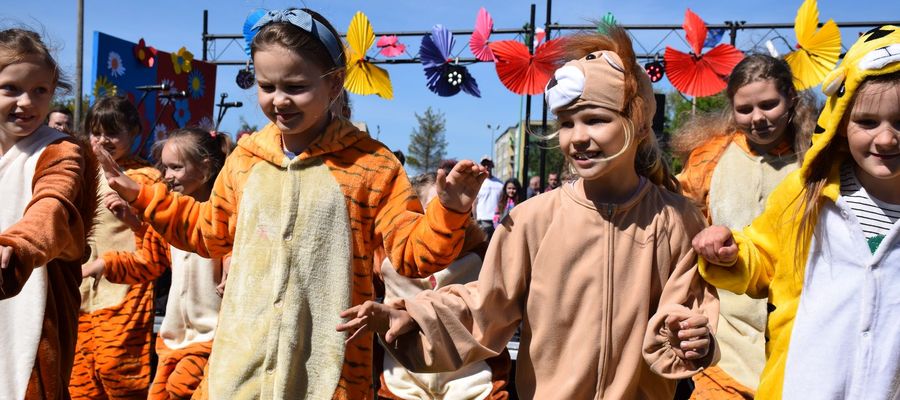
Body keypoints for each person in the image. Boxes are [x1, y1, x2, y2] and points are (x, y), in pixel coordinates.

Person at [94, 8, 486, 399]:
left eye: (295, 87)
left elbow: (410, 255)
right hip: (238, 369)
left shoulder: (373, 165)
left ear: (334, 85)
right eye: (267, 86)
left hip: (326, 371)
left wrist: (449, 212)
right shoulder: (247, 157)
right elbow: (207, 232)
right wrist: (139, 193)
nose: (279, 100)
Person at [339, 26, 719, 399]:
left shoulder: (678, 219)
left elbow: (689, 308)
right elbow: (486, 305)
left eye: (596, 119)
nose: (578, 136)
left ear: (636, 124)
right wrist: (416, 317)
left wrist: (691, 337)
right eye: (567, 123)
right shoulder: (531, 220)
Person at [692, 27, 900, 400]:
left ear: (790, 100)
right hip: (738, 350)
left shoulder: (806, 170)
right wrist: (728, 251)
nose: (886, 138)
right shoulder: (807, 193)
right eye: (867, 122)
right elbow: (762, 253)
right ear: (843, 122)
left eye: (768, 105)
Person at [673, 54, 817, 399]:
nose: (758, 119)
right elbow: (676, 219)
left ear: (791, 100)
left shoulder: (817, 159)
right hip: (723, 343)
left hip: (799, 343)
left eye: (769, 105)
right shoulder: (709, 158)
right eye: (745, 109)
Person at [83, 128, 229, 400]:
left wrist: (232, 264)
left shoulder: (221, 216)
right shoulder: (167, 218)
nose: (168, 175)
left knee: (180, 388)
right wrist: (104, 264)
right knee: (158, 394)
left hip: (211, 337)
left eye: (176, 167)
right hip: (173, 338)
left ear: (205, 167)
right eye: (165, 167)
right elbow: (149, 263)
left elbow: (235, 250)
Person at [0, 27, 99, 400]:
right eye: (11, 88)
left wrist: (16, 247)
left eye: (40, 90)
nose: (27, 102)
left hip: (35, 315)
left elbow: (52, 209)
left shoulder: (59, 151)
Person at [375, 172, 509, 400]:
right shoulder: (387, 258)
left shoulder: (483, 255)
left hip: (471, 380)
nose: (445, 213)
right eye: (436, 206)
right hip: (403, 378)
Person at [71, 95, 165, 399]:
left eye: (112, 132)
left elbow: (161, 237)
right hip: (81, 291)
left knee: (118, 371)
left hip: (126, 289)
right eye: (96, 132)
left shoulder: (146, 178)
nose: (102, 140)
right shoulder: (79, 175)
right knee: (80, 380)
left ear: (134, 132)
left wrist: (134, 214)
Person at [473, 156, 503, 238]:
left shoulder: (500, 184)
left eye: (488, 164)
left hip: (496, 220)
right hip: (482, 218)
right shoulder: (478, 182)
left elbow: (502, 202)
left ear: (492, 165)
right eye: (484, 164)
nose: (486, 166)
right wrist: (475, 219)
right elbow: (474, 202)